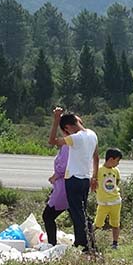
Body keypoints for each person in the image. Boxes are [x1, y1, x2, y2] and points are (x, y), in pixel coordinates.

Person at [48, 107, 99, 251]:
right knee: (82, 212)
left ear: (68, 128)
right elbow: (96, 157)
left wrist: (56, 120)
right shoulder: (92, 134)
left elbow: (52, 141)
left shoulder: (75, 138)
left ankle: (83, 245)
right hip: (85, 179)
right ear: (78, 120)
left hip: (73, 179)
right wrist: (94, 177)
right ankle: (90, 242)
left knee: (77, 214)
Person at [94, 147, 123, 249]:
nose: (118, 163)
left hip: (115, 202)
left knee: (115, 223)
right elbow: (93, 183)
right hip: (103, 203)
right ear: (111, 159)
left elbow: (117, 182)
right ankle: (92, 240)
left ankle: (115, 243)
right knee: (98, 223)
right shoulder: (99, 170)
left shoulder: (116, 171)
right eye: (117, 161)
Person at [42, 144, 70, 245]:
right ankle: (89, 242)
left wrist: (55, 176)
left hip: (63, 186)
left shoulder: (67, 146)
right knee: (78, 215)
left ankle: (52, 244)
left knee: (48, 215)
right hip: (73, 184)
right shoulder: (80, 145)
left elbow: (63, 166)